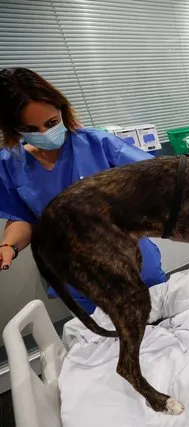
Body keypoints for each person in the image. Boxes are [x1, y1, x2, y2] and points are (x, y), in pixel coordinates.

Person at [0, 67, 167, 313]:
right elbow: (22, 217)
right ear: (14, 129)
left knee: (164, 324)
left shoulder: (98, 144)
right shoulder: (10, 164)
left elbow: (156, 181)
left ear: (61, 109)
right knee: (105, 339)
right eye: (32, 130)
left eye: (51, 123)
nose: (45, 133)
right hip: (76, 274)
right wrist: (9, 246)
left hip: (133, 261)